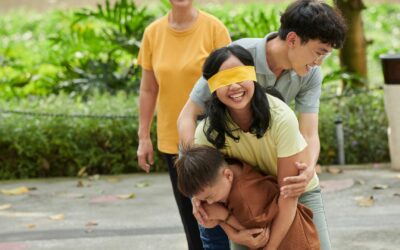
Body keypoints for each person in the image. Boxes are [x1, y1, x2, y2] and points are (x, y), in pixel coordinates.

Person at [177, 1, 346, 249]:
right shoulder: (235, 59)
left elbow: (309, 133)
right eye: (319, 51)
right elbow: (187, 115)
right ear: (292, 39)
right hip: (246, 187)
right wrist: (201, 181)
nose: (320, 61)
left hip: (287, 177)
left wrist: (307, 169)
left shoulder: (306, 79)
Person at [193, 44, 330, 249]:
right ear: (211, 86)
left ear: (253, 76)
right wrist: (235, 234)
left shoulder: (281, 117)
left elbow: (288, 194)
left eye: (240, 75)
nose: (234, 86)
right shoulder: (207, 133)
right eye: (224, 80)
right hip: (246, 203)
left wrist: (271, 247)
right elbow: (209, 202)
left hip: (295, 193)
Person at [136, 0, 231, 249]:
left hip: (213, 141)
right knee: (193, 224)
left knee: (222, 221)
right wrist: (143, 136)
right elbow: (148, 89)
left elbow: (231, 83)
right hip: (175, 145)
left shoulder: (214, 29)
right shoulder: (153, 33)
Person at [176, 145, 321, 250]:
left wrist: (223, 217)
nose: (210, 202)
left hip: (294, 244)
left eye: (210, 197)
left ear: (228, 175)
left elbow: (259, 236)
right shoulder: (232, 166)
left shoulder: (244, 199)